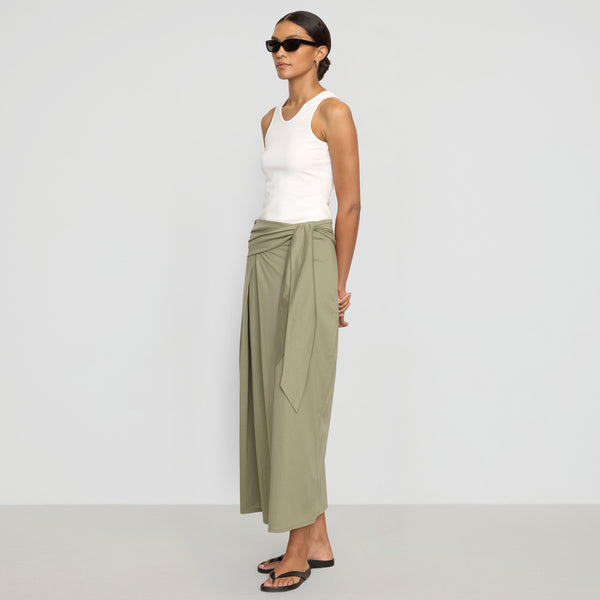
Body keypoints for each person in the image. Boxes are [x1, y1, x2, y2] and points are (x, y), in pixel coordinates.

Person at [238, 10, 360, 592]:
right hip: (264, 249)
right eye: (274, 44)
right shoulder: (269, 119)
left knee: (298, 397)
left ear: (320, 51)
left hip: (310, 249)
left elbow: (350, 204)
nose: (280, 52)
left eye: (292, 43)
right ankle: (319, 538)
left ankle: (296, 548)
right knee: (271, 390)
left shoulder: (333, 112)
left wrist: (337, 283)